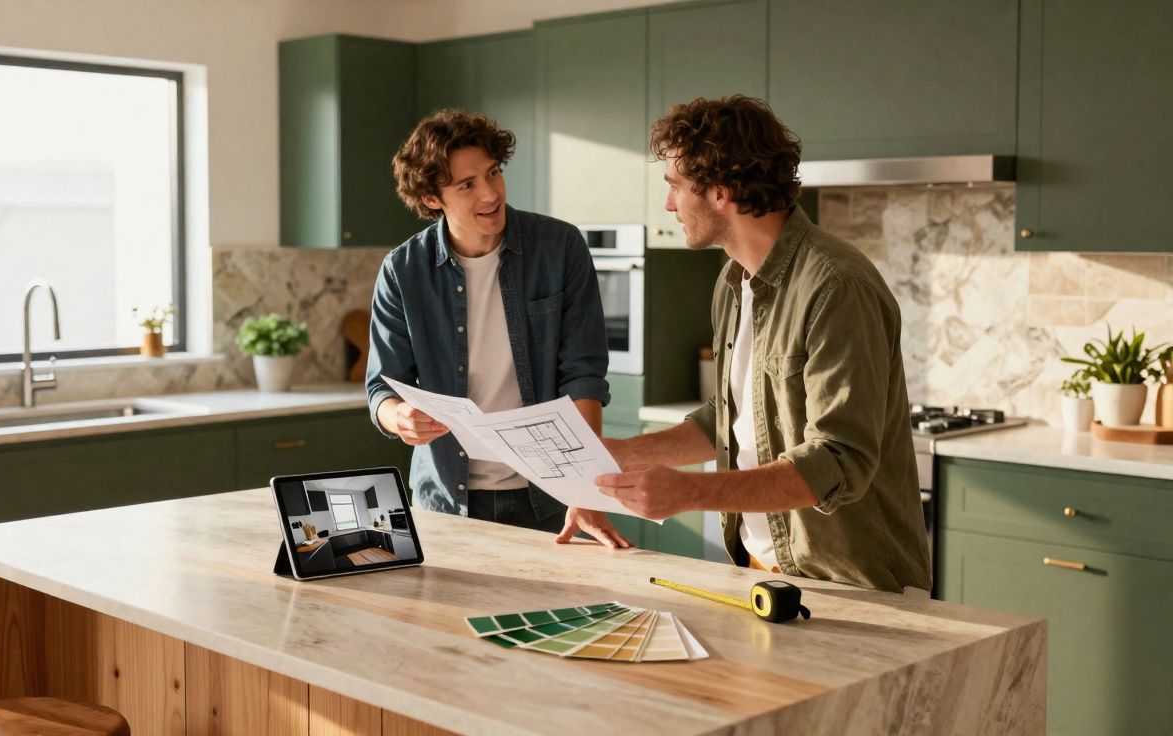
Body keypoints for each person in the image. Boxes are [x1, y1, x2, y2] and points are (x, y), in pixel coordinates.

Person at [595, 95, 930, 593]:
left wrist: (688, 491)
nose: (668, 205)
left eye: (676, 187)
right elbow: (727, 418)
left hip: (852, 584)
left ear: (720, 192)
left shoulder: (836, 286)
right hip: (761, 573)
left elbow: (837, 460)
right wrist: (622, 453)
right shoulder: (734, 282)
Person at [366, 108, 632, 549]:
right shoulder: (402, 270)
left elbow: (583, 375)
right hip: (444, 502)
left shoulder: (560, 248)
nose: (491, 193)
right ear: (433, 198)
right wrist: (399, 418)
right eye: (467, 185)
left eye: (493, 173)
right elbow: (381, 387)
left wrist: (586, 488)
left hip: (546, 498)